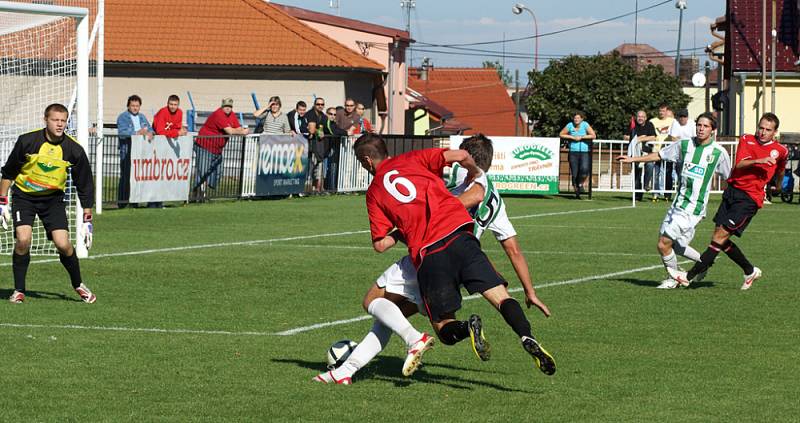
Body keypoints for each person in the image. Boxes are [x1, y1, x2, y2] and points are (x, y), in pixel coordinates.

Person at [314, 134, 552, 385]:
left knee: (378, 302)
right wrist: (530, 291)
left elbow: (380, 244)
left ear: (367, 160)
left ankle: (419, 338)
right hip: (465, 242)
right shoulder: (489, 194)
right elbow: (511, 246)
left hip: (428, 253)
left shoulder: (382, 187)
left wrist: (404, 227)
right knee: (392, 315)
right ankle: (525, 334)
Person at [669, 113, 789, 290]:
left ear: (775, 132)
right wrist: (760, 160)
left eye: (768, 130)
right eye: (761, 127)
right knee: (720, 239)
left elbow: (780, 169)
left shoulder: (781, 150)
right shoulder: (747, 139)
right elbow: (738, 165)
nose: (763, 132)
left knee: (719, 238)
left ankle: (688, 276)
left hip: (749, 199)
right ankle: (750, 271)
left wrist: (778, 186)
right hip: (732, 192)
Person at [618, 113, 731, 289]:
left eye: (706, 126)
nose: (701, 129)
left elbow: (730, 178)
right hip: (677, 204)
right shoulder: (684, 144)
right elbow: (660, 155)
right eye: (699, 125)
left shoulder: (719, 152)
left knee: (663, 244)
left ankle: (673, 280)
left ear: (713, 130)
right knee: (676, 246)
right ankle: (704, 262)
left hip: (693, 208)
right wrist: (633, 159)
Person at [3, 103, 96, 304]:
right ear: (45, 120)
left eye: (63, 120)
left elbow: (85, 185)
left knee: (63, 244)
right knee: (23, 239)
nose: (60, 124)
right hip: (24, 197)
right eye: (55, 120)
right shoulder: (27, 141)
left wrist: (87, 220)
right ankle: (19, 290)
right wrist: (2, 201)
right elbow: (9, 172)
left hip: (53, 200)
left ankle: (78, 284)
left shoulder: (74, 150)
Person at [194, 98, 249, 195]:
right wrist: (243, 132)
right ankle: (196, 193)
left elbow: (237, 127)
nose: (228, 109)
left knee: (219, 171)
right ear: (222, 106)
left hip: (217, 149)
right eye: (226, 106)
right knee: (203, 171)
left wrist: (242, 130)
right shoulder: (218, 114)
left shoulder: (231, 115)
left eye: (230, 107)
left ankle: (203, 189)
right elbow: (230, 131)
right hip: (205, 145)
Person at [149, 94, 188, 208]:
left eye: (175, 104)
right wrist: (176, 133)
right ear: (167, 103)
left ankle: (160, 201)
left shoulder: (180, 113)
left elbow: (176, 128)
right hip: (156, 145)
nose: (173, 106)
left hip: (167, 147)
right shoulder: (162, 112)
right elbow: (160, 131)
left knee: (163, 175)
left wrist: (180, 131)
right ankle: (152, 202)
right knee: (154, 174)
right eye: (171, 104)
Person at [116, 94, 153, 208]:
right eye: (133, 106)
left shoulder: (142, 117)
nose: (135, 108)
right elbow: (122, 132)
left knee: (137, 177)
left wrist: (151, 133)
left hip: (141, 152)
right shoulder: (123, 117)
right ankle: (122, 202)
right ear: (128, 106)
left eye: (137, 106)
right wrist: (137, 133)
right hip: (127, 150)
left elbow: (150, 128)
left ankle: (135, 202)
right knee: (126, 177)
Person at [559, 111, 596, 199]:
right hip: (573, 151)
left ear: (582, 119)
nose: (576, 119)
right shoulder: (569, 125)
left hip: (584, 151)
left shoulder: (585, 125)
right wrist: (571, 137)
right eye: (575, 118)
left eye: (578, 118)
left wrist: (582, 137)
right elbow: (561, 134)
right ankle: (577, 190)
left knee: (584, 169)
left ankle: (580, 184)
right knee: (574, 173)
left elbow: (593, 135)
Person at [625, 110, 657, 201]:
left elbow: (653, 137)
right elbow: (625, 136)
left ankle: (646, 184)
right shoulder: (633, 125)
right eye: (639, 116)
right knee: (637, 174)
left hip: (647, 154)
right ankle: (638, 195)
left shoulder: (649, 125)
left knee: (650, 165)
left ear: (645, 118)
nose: (640, 118)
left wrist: (641, 138)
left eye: (642, 116)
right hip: (635, 154)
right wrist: (637, 139)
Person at [650, 104, 675, 201]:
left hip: (668, 151)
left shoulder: (672, 121)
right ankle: (655, 194)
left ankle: (667, 195)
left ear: (667, 111)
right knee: (655, 173)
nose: (661, 112)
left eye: (663, 111)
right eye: (660, 111)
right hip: (656, 151)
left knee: (668, 173)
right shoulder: (653, 121)